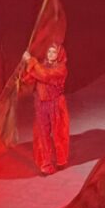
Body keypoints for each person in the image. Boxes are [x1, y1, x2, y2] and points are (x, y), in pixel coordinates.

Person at [22, 43, 69, 175]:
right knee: (42, 135)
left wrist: (31, 61)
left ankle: (61, 159)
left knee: (59, 133)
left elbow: (46, 75)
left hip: (56, 104)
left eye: (54, 52)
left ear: (59, 54)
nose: (50, 54)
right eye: (49, 52)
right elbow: (29, 79)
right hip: (41, 104)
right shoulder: (41, 66)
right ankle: (46, 164)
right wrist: (25, 68)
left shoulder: (61, 68)